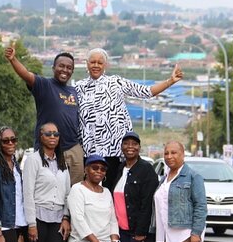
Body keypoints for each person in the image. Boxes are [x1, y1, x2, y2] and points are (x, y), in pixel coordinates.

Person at [75, 48, 183, 190]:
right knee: (88, 192)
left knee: (113, 193)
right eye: (93, 62)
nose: (96, 65)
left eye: (100, 63)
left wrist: (170, 81)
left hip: (114, 151)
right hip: (90, 151)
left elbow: (146, 92)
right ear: (87, 64)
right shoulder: (78, 87)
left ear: (105, 65)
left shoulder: (116, 82)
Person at [5, 43, 84, 185]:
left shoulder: (74, 92)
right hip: (49, 148)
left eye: (69, 67)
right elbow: (26, 75)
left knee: (75, 190)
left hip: (73, 148)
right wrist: (13, 59)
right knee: (51, 188)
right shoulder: (44, 85)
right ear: (54, 68)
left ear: (72, 71)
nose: (64, 70)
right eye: (61, 66)